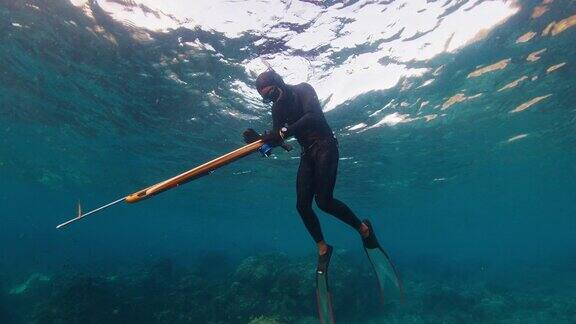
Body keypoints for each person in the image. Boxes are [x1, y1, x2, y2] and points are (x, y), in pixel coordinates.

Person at [242, 69, 378, 271]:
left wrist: (283, 132)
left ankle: (364, 229)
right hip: (307, 153)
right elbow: (278, 137)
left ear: (279, 82)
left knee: (324, 201)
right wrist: (261, 141)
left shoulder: (303, 90)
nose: (271, 100)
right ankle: (323, 248)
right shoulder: (277, 110)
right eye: (266, 99)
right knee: (302, 206)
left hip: (325, 145)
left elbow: (313, 116)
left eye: (270, 94)